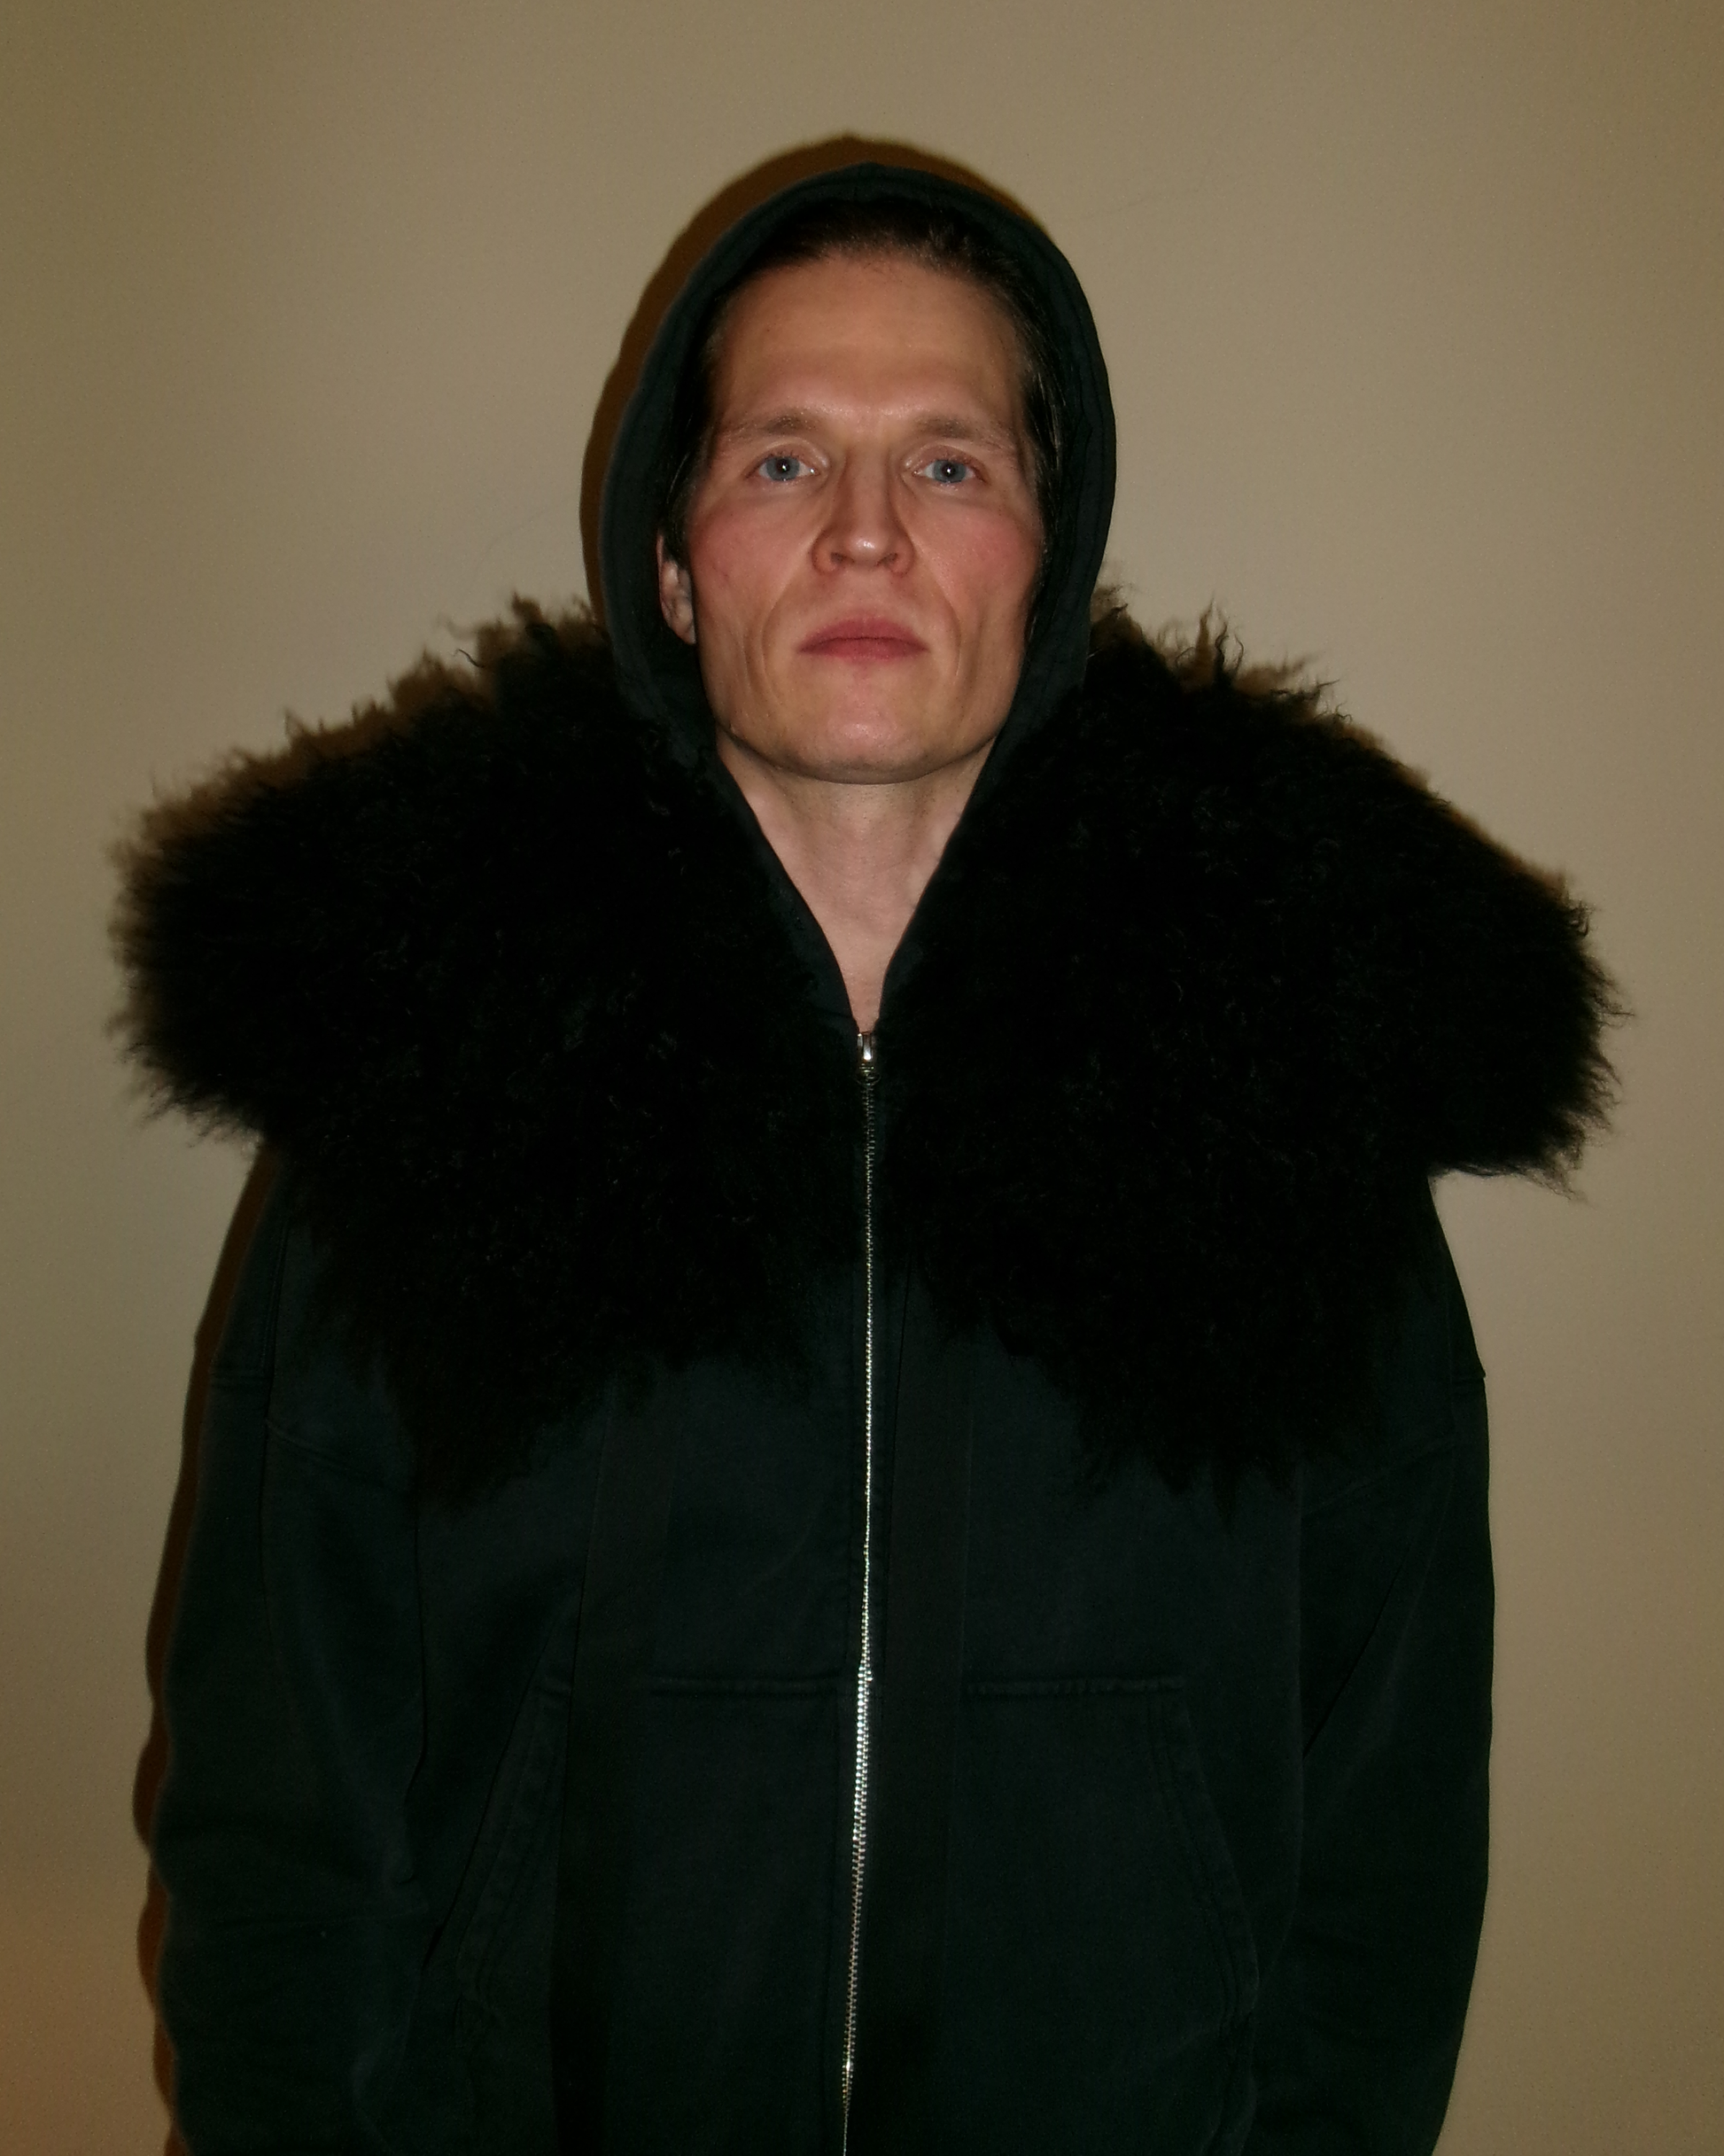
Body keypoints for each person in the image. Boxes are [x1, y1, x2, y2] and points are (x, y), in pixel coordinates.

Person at [119, 159, 1612, 2154]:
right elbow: (275, 1812)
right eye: (781, 460)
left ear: (1047, 562)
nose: (862, 532)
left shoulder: (1280, 1101)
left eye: (948, 465)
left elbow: (1390, 1815)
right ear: (674, 565)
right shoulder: (433, 1087)